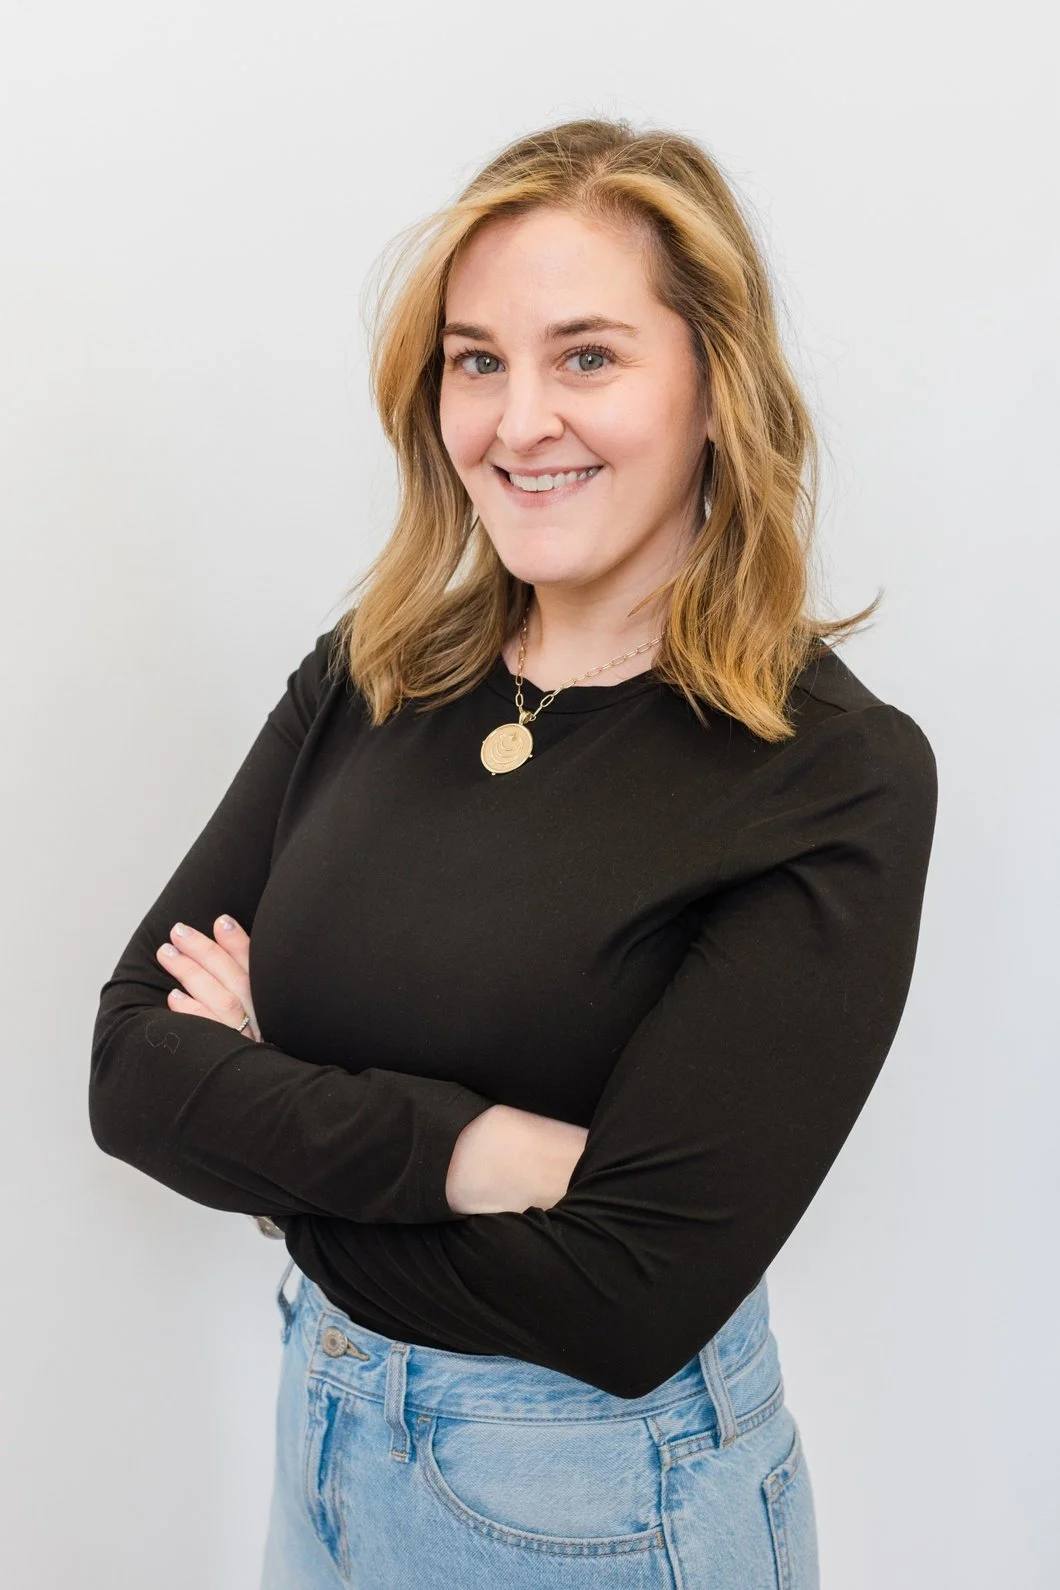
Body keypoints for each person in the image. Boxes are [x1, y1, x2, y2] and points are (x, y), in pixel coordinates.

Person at [89, 116, 938, 1589]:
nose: (517, 419)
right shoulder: (374, 673)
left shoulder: (830, 774)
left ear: (714, 389)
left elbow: (628, 1294)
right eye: (477, 359)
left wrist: (268, 1128)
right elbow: (127, 1067)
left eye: (588, 356)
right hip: (327, 1435)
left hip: (596, 1496)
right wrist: (470, 1149)